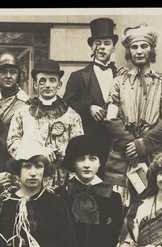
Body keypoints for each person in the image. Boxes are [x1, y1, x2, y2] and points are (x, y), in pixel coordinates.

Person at [104, 24, 162, 207]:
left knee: (154, 202)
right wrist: (131, 144)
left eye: (143, 46)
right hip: (123, 152)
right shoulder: (118, 82)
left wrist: (142, 145)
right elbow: (111, 118)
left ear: (151, 49)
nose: (139, 51)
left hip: (152, 150)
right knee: (120, 204)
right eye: (134, 47)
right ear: (128, 51)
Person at [55, 135, 123, 247]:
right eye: (80, 159)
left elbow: (115, 237)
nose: (86, 165)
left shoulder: (113, 198)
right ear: (73, 162)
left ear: (100, 162)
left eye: (92, 159)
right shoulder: (61, 196)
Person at [7, 59, 84, 189]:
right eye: (42, 81)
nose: (47, 85)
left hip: (62, 179)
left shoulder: (72, 116)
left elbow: (78, 148)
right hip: (30, 177)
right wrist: (37, 151)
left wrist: (57, 154)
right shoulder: (23, 113)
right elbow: (12, 142)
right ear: (36, 85)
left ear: (59, 85)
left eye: (52, 80)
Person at [63, 18, 119, 177]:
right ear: (92, 47)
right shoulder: (78, 77)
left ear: (113, 48)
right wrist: (88, 107)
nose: (102, 47)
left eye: (107, 43)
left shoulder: (122, 76)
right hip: (89, 144)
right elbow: (65, 106)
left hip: (116, 144)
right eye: (98, 43)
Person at [0, 52, 30, 176]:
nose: (8, 76)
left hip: (14, 165)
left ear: (18, 76)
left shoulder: (28, 104)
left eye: (13, 72)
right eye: (3, 72)